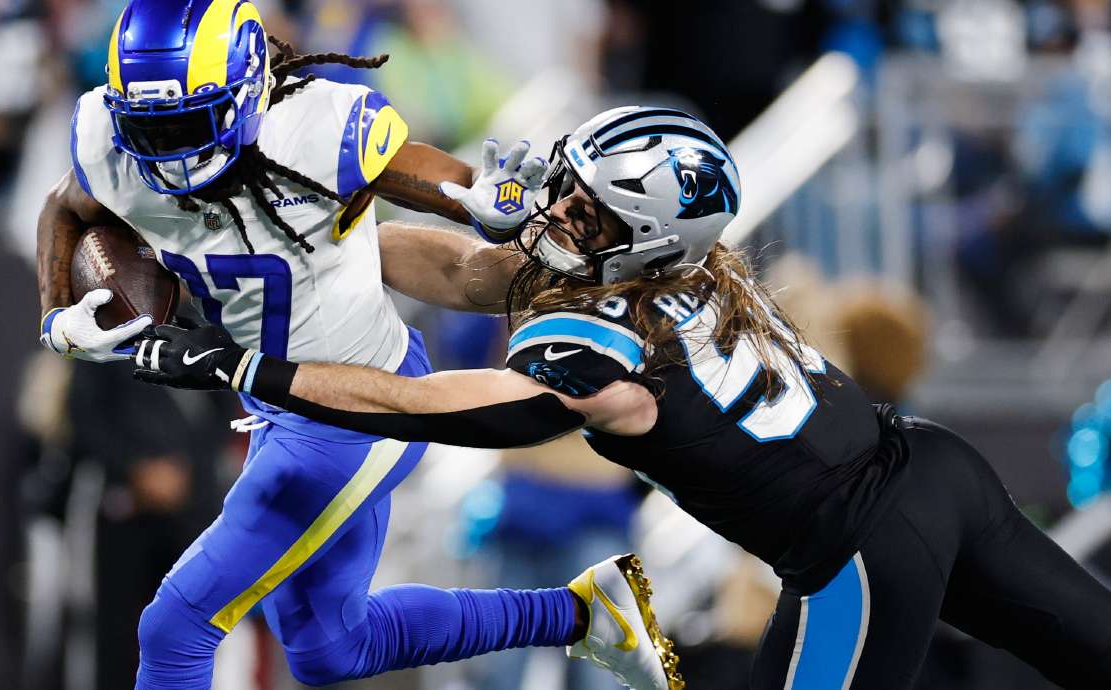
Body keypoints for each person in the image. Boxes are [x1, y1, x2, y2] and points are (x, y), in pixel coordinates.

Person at [133, 106, 1111, 690]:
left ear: (642, 240)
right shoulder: (681, 272)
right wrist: (319, 258)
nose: (560, 211)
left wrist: (245, 369)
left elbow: (416, 403)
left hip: (860, 551)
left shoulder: (603, 341)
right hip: (935, 470)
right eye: (569, 186)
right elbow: (469, 268)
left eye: (589, 211)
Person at [36, 3, 676, 689]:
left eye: (190, 124)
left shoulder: (312, 128)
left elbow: (418, 172)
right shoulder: (108, 143)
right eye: (150, 129)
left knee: (176, 627)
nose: (170, 153)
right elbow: (64, 207)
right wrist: (56, 316)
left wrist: (478, 195)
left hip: (359, 412)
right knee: (329, 649)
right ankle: (585, 614)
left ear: (249, 92)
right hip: (278, 405)